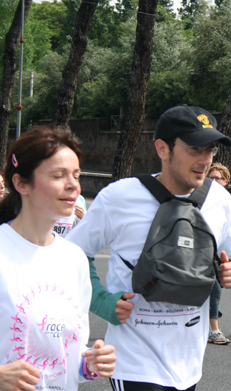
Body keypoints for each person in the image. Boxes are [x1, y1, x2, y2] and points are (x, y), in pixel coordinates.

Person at [67, 105, 231, 391]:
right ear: (162, 149)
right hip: (133, 363)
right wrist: (102, 301)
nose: (205, 160)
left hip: (189, 364)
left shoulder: (221, 200)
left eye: (211, 150)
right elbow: (70, 257)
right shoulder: (119, 197)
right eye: (194, 149)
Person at [0, 125, 116, 390]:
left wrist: (89, 364)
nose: (73, 185)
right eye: (58, 175)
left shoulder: (74, 259)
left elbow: (66, 359)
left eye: (76, 175)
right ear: (21, 183)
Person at [206, 163, 231, 345]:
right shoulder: (199, 197)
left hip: (216, 255)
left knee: (214, 290)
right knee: (213, 289)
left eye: (219, 178)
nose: (215, 181)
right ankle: (214, 331)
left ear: (226, 181)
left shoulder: (228, 202)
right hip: (197, 252)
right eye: (212, 178)